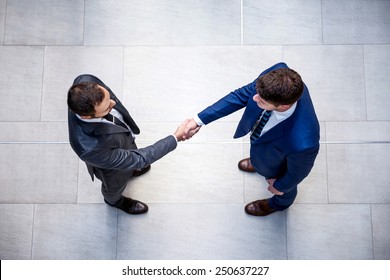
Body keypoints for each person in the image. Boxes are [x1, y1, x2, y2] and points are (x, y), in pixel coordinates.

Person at [184, 62, 320, 216]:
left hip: (279, 163)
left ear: (283, 106)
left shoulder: (303, 143)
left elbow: (297, 173)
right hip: (267, 149)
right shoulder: (278, 74)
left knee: (286, 190)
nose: (254, 98)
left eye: (261, 100)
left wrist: (280, 186)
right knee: (262, 157)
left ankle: (278, 204)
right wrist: (198, 120)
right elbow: (240, 95)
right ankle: (259, 161)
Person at [67, 74, 195, 215]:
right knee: (114, 186)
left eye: (109, 98)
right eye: (106, 108)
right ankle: (114, 201)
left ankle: (132, 170)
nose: (113, 104)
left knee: (131, 154)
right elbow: (138, 158)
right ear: (86, 116)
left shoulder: (84, 81)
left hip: (121, 140)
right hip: (111, 167)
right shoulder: (90, 148)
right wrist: (175, 137)